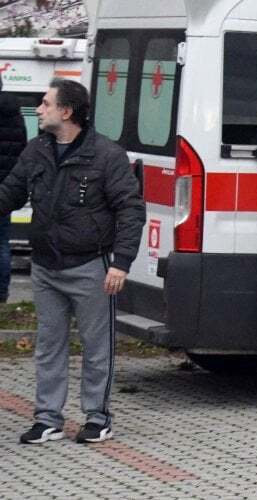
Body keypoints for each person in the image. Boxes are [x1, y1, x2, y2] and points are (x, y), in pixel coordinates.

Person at [0, 79, 145, 444]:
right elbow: (10, 192)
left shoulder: (106, 156)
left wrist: (121, 262)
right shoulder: (37, 150)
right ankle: (48, 418)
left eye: (47, 103)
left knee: (97, 347)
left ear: (66, 112)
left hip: (91, 268)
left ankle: (97, 417)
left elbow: (130, 209)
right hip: (46, 266)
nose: (41, 109)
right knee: (49, 345)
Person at [0, 74, 27, 303]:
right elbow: (21, 150)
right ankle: (1, 293)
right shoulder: (15, 115)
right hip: (6, 189)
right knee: (2, 242)